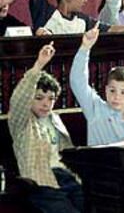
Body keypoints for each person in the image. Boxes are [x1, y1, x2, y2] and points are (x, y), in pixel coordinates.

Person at [8, 42, 83, 213]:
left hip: (68, 178)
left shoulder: (55, 119)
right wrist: (39, 65)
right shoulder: (22, 121)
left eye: (50, 99)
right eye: (39, 98)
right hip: (42, 182)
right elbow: (20, 98)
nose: (45, 104)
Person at [69, 23, 124, 145]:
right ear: (105, 90)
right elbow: (78, 81)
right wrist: (85, 48)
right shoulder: (95, 109)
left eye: (123, 92)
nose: (116, 97)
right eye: (112, 90)